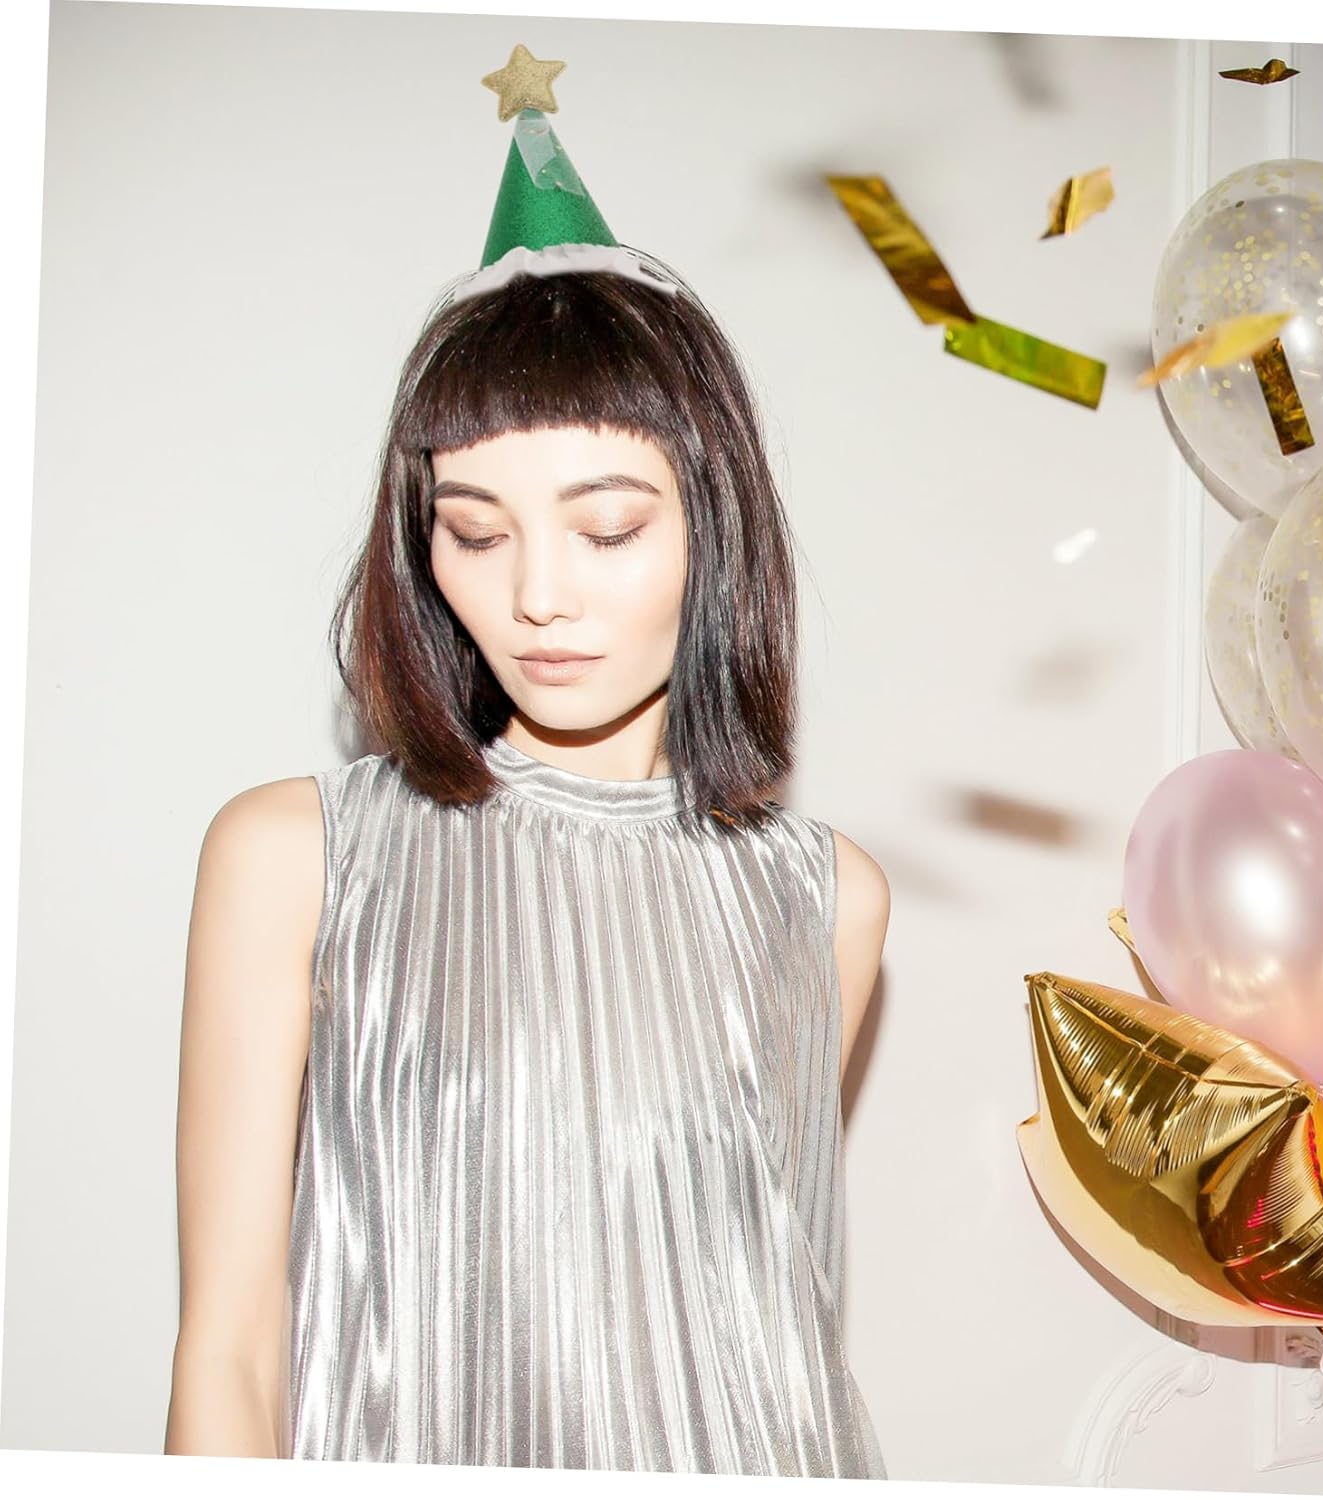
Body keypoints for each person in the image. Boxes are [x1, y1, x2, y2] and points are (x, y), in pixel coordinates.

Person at [165, 50, 890, 1477]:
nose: (536, 596)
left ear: (714, 526)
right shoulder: (293, 856)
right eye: (476, 531)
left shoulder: (829, 898)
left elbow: (780, 1325)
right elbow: (228, 1350)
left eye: (607, 528)